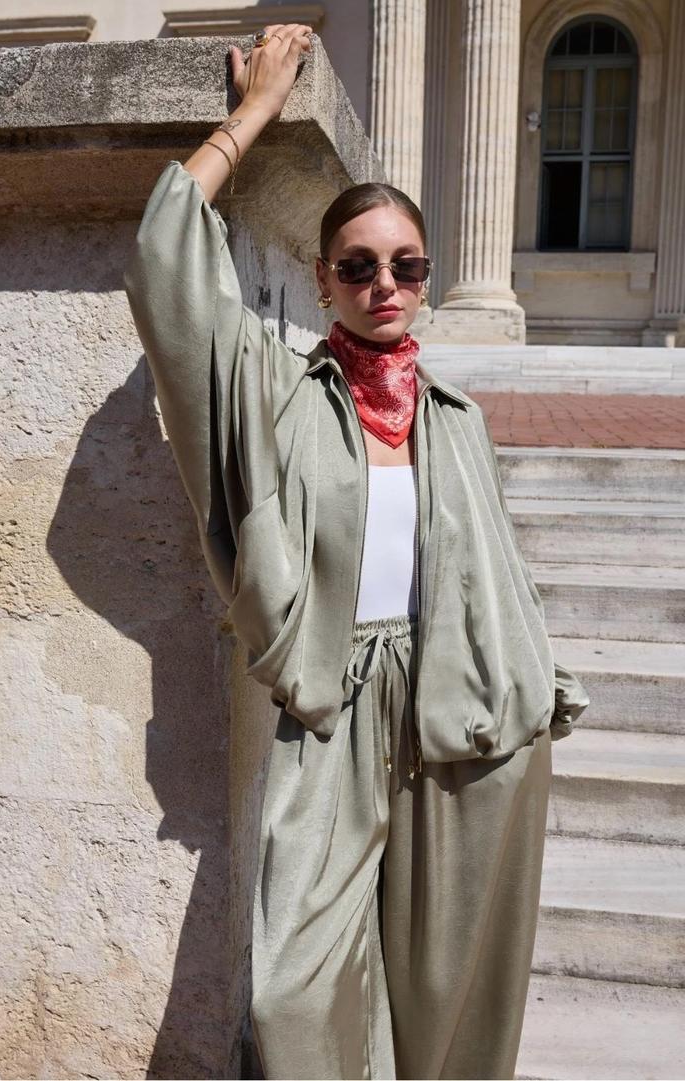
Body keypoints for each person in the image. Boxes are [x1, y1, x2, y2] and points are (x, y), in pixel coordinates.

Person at [123, 22, 590, 1081]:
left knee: (446, 1004)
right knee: (290, 992)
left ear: (426, 279)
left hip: (461, 722)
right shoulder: (275, 389)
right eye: (360, 265)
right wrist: (252, 115)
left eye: (407, 266)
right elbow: (163, 260)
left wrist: (532, 691)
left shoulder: (458, 419)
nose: (386, 283)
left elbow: (497, 582)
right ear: (325, 278)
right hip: (329, 712)